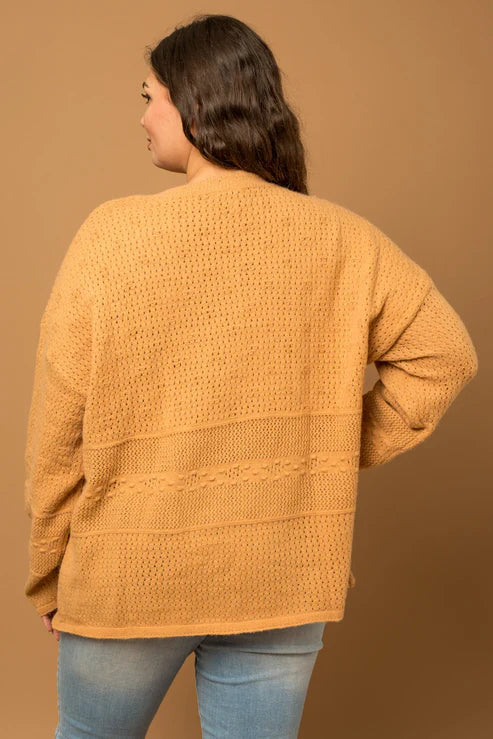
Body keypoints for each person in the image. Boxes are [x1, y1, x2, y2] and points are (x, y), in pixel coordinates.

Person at [24, 13, 478, 739]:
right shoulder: (342, 239)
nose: (142, 118)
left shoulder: (111, 237)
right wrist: (322, 451)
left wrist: (49, 570)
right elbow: (444, 356)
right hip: (280, 573)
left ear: (194, 102)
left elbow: (58, 430)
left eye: (149, 97)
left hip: (128, 572)